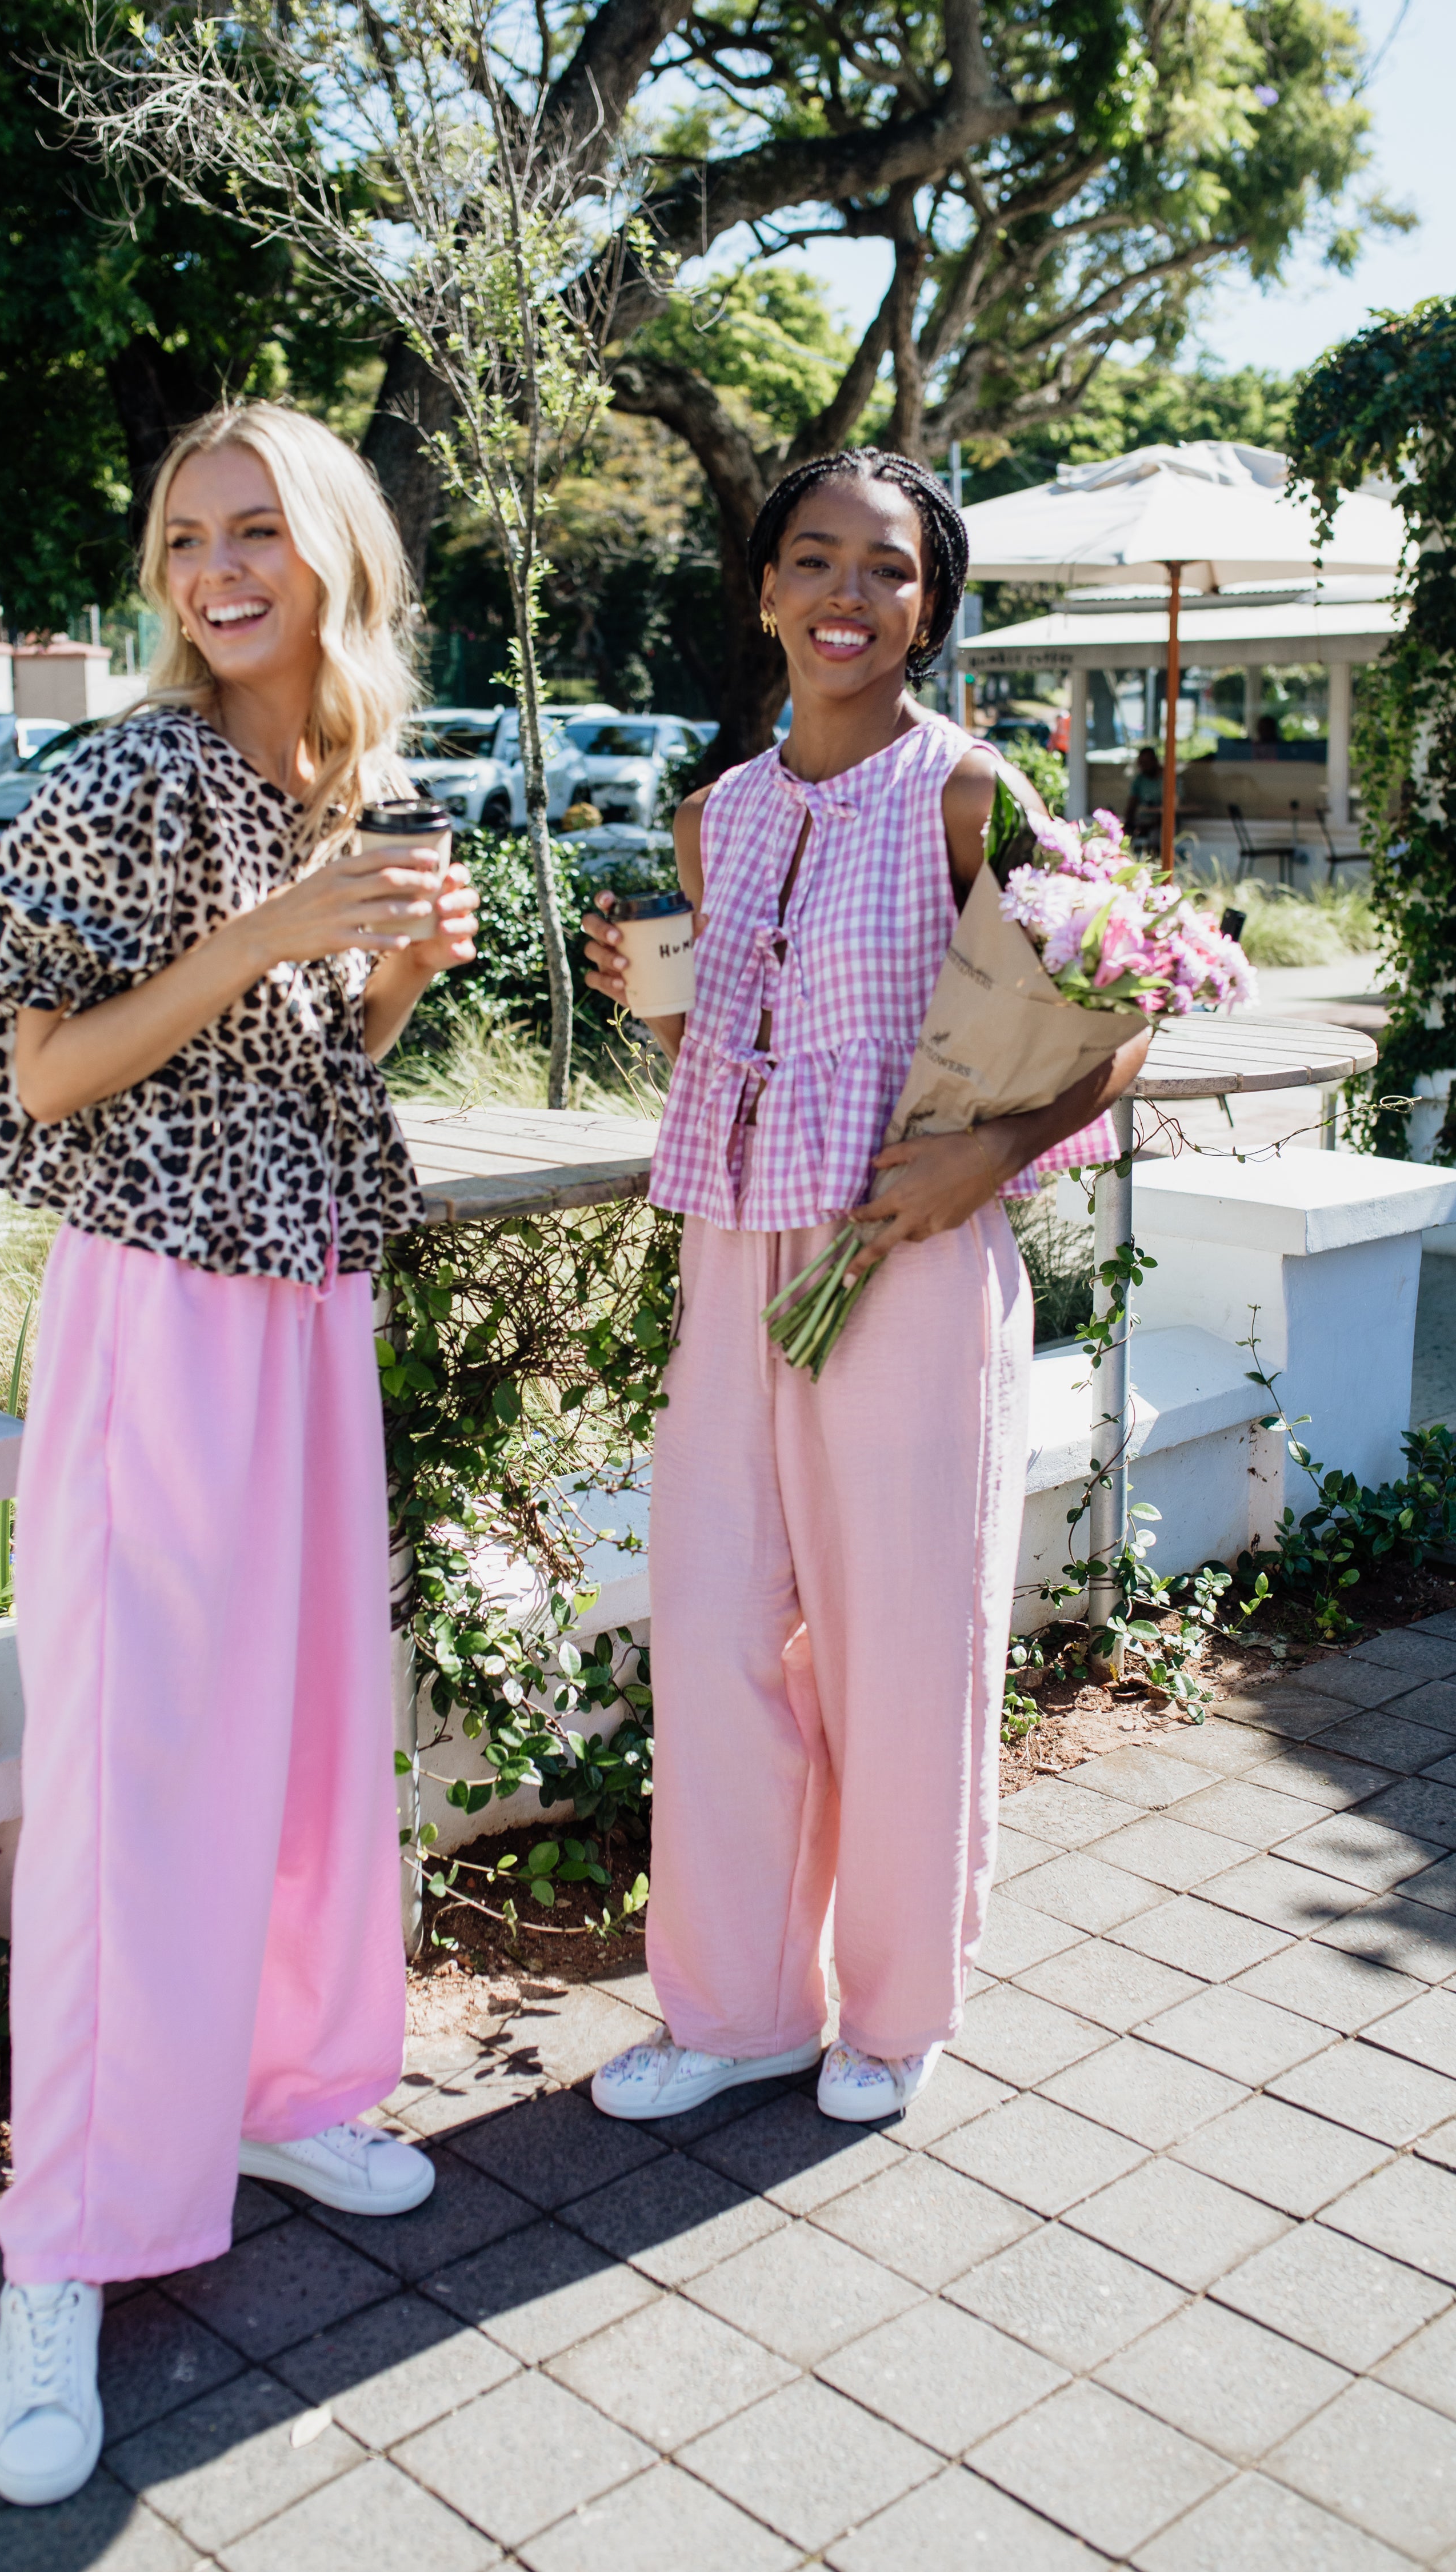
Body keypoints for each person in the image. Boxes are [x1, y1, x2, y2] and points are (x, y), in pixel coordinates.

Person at [0, 402, 478, 2508]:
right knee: (136, 1778)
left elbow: (308, 1057)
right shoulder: (129, 772)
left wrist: (393, 967)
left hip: (311, 1301)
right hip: (156, 1316)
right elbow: (40, 1075)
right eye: (182, 536)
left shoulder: (342, 778)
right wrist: (270, 935)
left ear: (334, 553)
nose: (216, 568)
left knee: (313, 1732)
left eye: (258, 530)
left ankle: (287, 2083)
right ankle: (59, 2253)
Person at [581, 449, 1149, 2129]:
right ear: (762, 591)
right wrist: (655, 1003)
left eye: (885, 570)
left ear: (927, 607)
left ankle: (893, 2015)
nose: (845, 593)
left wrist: (997, 1156)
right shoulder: (716, 816)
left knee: (904, 1646)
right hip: (734, 1255)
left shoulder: (972, 795)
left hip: (907, 1249)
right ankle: (738, 2004)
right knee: (715, 1633)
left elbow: (1109, 1025)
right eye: (812, 560)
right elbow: (727, 1057)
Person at [1123, 741, 1163, 840]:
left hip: (1163, 822)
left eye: (1146, 763)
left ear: (1154, 761)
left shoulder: (1168, 779)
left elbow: (1174, 806)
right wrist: (1129, 823)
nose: (1143, 767)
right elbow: (1132, 804)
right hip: (1143, 820)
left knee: (1156, 835)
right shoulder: (1140, 780)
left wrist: (1152, 825)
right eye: (1141, 763)